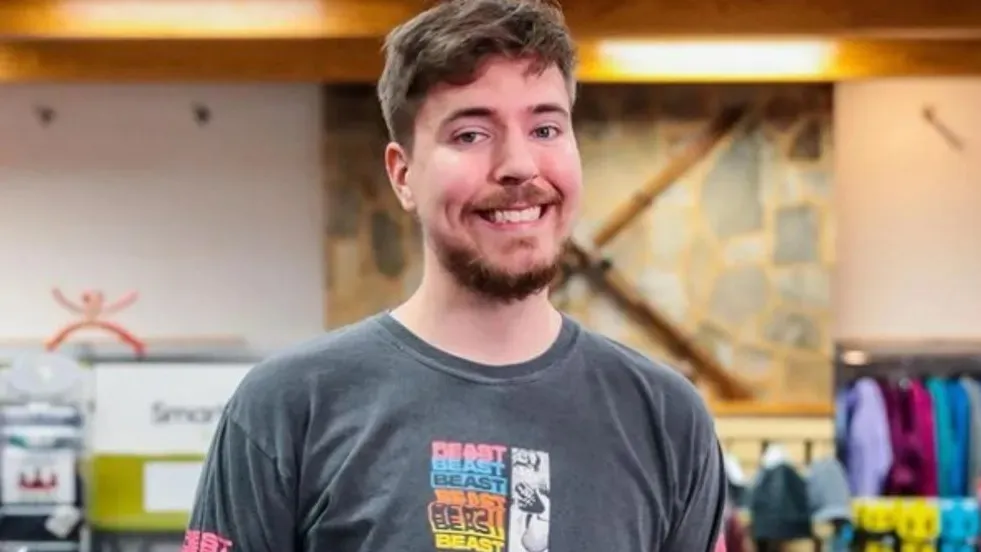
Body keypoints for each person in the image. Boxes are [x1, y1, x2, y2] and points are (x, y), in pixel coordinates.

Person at [183, 0, 727, 550]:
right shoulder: (289, 408)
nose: (519, 165)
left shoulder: (666, 419)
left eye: (545, 128)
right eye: (470, 134)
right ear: (403, 175)